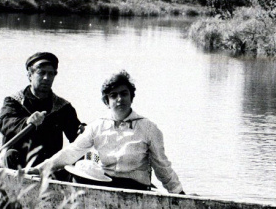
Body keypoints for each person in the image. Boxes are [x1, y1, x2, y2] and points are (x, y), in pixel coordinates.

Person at [28, 70, 185, 194]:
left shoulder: (148, 128)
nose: (119, 99)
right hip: (105, 185)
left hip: (136, 189)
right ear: (106, 101)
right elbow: (71, 152)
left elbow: (162, 166)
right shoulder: (97, 126)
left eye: (124, 94)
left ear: (131, 97)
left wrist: (178, 192)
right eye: (113, 95)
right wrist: (40, 169)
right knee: (74, 173)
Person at [0, 52, 83, 169]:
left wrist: (83, 131)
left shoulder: (63, 107)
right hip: (17, 164)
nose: (46, 78)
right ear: (30, 76)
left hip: (46, 166)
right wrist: (27, 122)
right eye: (41, 73)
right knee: (11, 154)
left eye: (51, 74)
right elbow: (3, 124)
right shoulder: (14, 101)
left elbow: (76, 137)